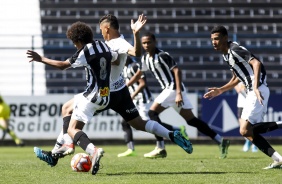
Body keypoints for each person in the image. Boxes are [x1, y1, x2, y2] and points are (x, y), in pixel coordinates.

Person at [31, 15, 193, 173]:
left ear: (106, 28)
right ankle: (171, 134)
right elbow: (114, 60)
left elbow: (135, 53)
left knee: (71, 119)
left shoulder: (118, 42)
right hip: (120, 90)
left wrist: (136, 34)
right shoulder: (105, 45)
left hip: (106, 92)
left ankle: (67, 149)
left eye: (101, 29)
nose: (100, 32)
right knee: (137, 123)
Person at [27, 21, 119, 175]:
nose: (75, 46)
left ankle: (93, 151)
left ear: (78, 40)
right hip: (105, 95)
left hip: (91, 96)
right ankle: (60, 150)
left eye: (74, 43)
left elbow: (63, 65)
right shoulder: (103, 46)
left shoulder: (85, 51)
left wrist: (41, 58)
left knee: (72, 129)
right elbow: (116, 59)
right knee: (66, 108)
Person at [127, 32, 230, 159]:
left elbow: (177, 70)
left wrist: (178, 93)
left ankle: (160, 147)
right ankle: (220, 140)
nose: (146, 45)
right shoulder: (144, 58)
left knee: (152, 113)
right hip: (171, 90)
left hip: (173, 89)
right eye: (144, 43)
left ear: (155, 42)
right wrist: (127, 85)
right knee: (192, 121)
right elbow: (138, 74)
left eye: (149, 42)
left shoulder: (162, 55)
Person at [204, 25, 282, 169]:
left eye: (217, 39)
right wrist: (220, 90)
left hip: (257, 90)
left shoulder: (234, 49)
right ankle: (278, 159)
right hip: (252, 91)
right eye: (212, 39)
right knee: (247, 132)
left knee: (246, 130)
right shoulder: (226, 55)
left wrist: (255, 87)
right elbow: (236, 78)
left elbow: (256, 63)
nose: (214, 42)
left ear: (225, 38)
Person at [117, 56, 189, 158]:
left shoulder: (134, 66)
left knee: (147, 123)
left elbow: (142, 84)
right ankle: (130, 149)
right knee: (125, 122)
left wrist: (132, 95)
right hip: (135, 101)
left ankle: (174, 132)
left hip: (143, 100)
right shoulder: (124, 68)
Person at [234, 83, 258, 153]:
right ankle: (248, 141)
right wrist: (237, 88)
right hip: (241, 104)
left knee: (250, 125)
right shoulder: (239, 76)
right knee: (242, 127)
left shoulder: (251, 77)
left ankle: (254, 144)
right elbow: (234, 84)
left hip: (250, 104)